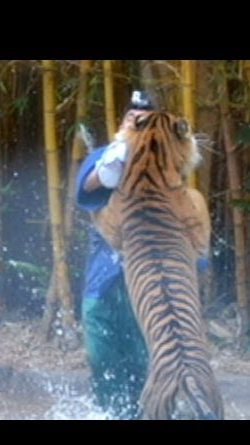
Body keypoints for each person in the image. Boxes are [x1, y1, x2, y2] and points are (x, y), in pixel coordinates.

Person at [74, 90, 154, 419]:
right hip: (102, 286)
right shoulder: (105, 157)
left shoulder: (161, 172)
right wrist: (120, 151)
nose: (134, 123)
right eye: (130, 117)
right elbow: (91, 185)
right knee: (101, 360)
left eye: (143, 121)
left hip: (143, 289)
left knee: (140, 363)